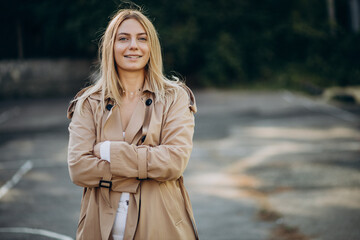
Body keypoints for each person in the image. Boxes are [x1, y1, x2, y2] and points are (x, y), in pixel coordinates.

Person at [67, 8, 199, 240]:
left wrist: (108, 152)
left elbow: (174, 161)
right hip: (98, 228)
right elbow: (78, 168)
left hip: (161, 227)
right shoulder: (88, 102)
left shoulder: (174, 97)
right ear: (111, 46)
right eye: (123, 38)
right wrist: (147, 168)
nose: (133, 46)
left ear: (151, 47)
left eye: (142, 38)